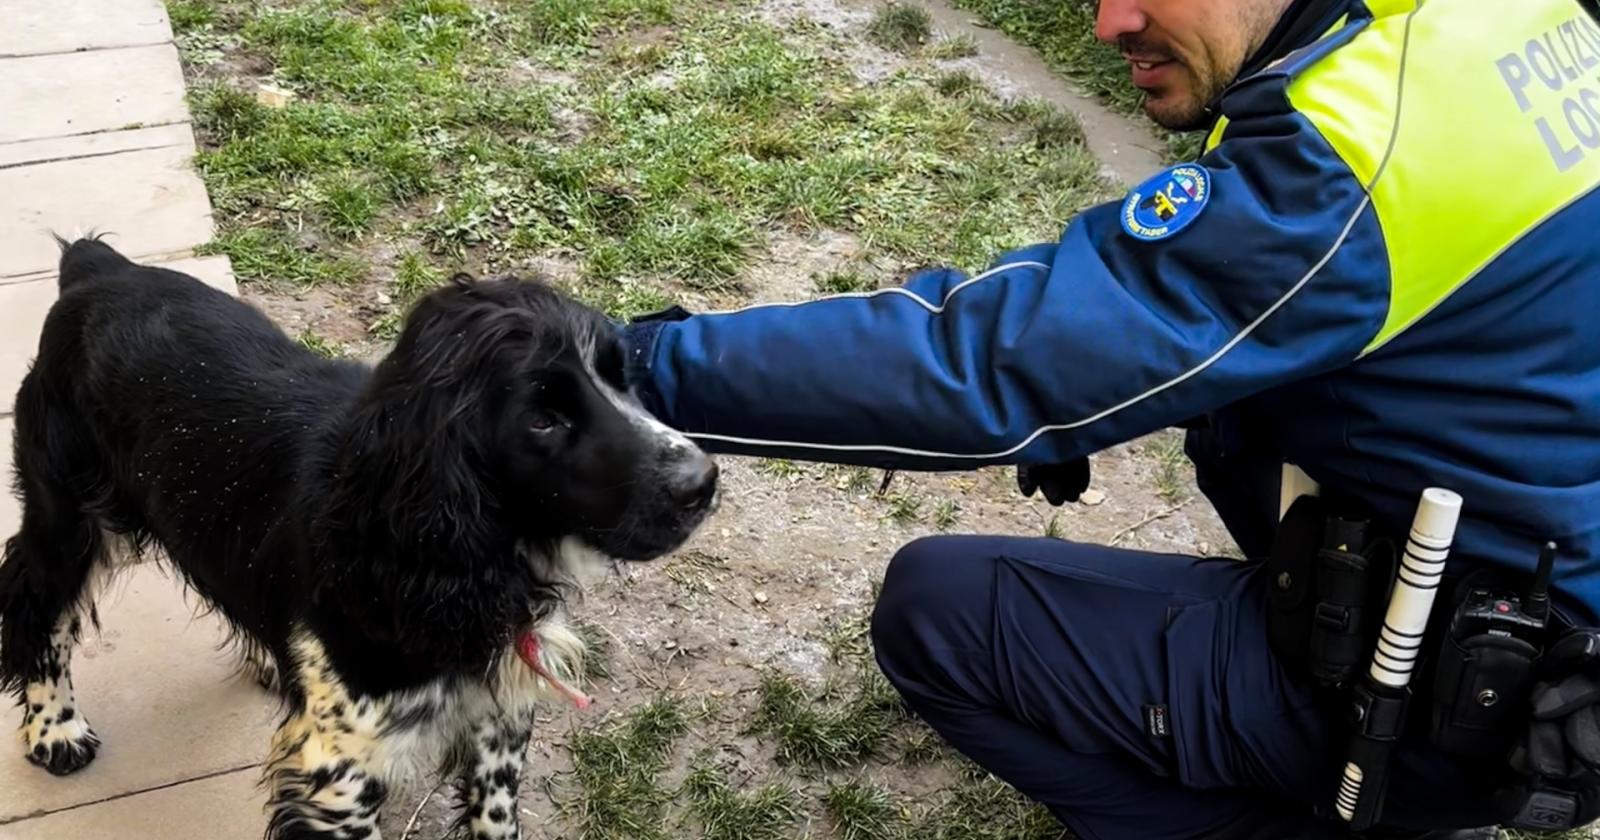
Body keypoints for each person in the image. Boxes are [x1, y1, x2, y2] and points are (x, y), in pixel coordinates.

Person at [620, 0, 1600, 836]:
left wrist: (628, 370)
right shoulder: (1496, 25)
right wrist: (1104, 402)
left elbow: (981, 361)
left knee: (935, 612)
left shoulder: (1353, 156)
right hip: (1549, 639)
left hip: (1459, 695)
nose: (1107, 21)